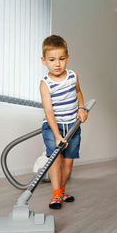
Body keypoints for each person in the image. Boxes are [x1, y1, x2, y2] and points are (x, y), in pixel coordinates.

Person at [40, 35, 88, 209]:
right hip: (53, 126)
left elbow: (79, 93)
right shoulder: (45, 84)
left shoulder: (73, 76)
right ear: (44, 61)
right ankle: (55, 195)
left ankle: (61, 190)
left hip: (73, 126)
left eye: (61, 59)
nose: (57, 64)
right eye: (52, 60)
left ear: (67, 58)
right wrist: (57, 135)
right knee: (55, 160)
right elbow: (49, 111)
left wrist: (81, 108)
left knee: (68, 161)